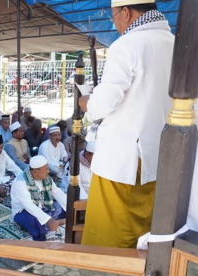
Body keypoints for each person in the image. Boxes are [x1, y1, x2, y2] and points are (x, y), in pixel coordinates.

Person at [77, 1, 174, 248]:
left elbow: (104, 105)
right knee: (144, 230)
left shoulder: (126, 46)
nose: (114, 23)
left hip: (123, 161)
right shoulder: (174, 44)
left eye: (113, 17)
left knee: (110, 233)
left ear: (126, 12)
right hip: (156, 158)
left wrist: (86, 101)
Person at [11, 156, 67, 241]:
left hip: (43, 206)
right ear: (35, 171)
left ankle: (52, 222)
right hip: (23, 211)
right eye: (45, 169)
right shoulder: (21, 182)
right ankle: (54, 224)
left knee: (61, 206)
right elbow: (29, 206)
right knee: (34, 220)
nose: (48, 171)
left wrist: (71, 206)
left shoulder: (46, 178)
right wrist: (48, 219)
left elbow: (57, 193)